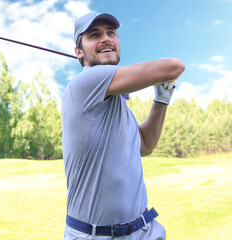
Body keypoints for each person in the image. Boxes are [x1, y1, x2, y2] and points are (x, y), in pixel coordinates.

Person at [62, 11, 185, 240]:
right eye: (94, 35)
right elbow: (174, 67)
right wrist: (162, 77)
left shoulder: (118, 105)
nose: (106, 38)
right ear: (79, 52)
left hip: (143, 230)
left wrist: (162, 99)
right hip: (94, 235)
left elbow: (145, 145)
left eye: (111, 33)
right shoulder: (86, 82)